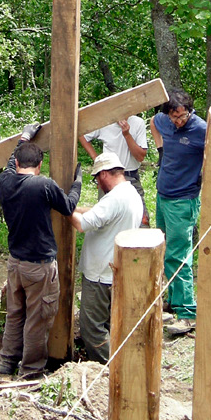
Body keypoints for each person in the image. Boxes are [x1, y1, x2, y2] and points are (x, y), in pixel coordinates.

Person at [0, 124, 82, 380]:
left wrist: (24, 137)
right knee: (36, 318)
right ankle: (31, 372)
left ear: (16, 162)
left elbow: (10, 162)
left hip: (16, 263)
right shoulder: (42, 185)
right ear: (40, 164)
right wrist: (77, 182)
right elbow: (67, 205)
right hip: (40, 267)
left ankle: (6, 365)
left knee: (15, 315)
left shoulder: (4, 180)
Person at [70, 151, 144, 363]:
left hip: (100, 275)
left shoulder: (114, 198)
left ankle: (108, 370)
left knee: (92, 328)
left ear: (103, 174)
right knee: (111, 326)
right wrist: (75, 208)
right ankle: (120, 365)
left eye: (96, 179)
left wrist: (62, 206)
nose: (96, 184)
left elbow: (82, 224)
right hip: (114, 271)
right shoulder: (129, 194)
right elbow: (97, 212)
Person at [150, 91, 207, 321]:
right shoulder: (163, 120)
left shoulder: (201, 129)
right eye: (175, 117)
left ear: (189, 111)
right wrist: (161, 149)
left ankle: (187, 311)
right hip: (163, 196)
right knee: (164, 250)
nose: (178, 121)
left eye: (182, 116)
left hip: (183, 201)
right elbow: (154, 122)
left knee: (179, 255)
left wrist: (202, 172)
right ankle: (173, 300)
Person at [78, 115, 150, 225]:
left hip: (130, 176)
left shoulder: (138, 122)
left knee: (141, 220)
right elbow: (82, 135)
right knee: (106, 218)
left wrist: (126, 134)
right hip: (108, 176)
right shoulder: (104, 121)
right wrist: (96, 158)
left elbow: (140, 157)